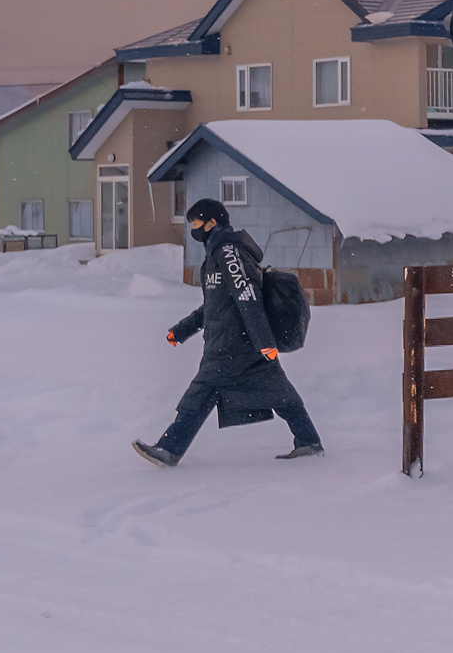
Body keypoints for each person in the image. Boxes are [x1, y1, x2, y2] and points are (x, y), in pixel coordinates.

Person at [134, 198, 323, 465]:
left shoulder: (228, 252)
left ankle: (169, 449)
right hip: (240, 341)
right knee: (280, 392)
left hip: (233, 343)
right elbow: (215, 304)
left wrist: (264, 341)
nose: (193, 228)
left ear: (212, 222)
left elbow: (248, 296)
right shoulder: (217, 253)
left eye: (197, 222)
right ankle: (309, 441)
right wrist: (181, 331)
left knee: (201, 392)